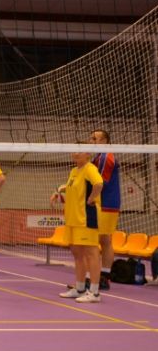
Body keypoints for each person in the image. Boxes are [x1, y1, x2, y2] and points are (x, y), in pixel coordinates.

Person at [51, 148, 103, 303]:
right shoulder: (74, 171)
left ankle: (94, 292)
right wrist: (59, 192)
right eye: (74, 151)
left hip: (86, 218)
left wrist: (91, 199)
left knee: (91, 253)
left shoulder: (90, 169)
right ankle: (80, 288)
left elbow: (98, 184)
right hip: (72, 219)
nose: (75, 153)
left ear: (88, 154)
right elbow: (72, 189)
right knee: (77, 254)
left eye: (80, 151)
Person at [90, 129, 120, 291]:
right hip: (101, 203)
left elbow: (100, 182)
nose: (91, 141)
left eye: (95, 138)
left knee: (103, 240)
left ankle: (103, 277)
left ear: (104, 141)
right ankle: (98, 276)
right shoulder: (97, 157)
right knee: (101, 240)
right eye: (91, 138)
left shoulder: (105, 157)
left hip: (107, 203)